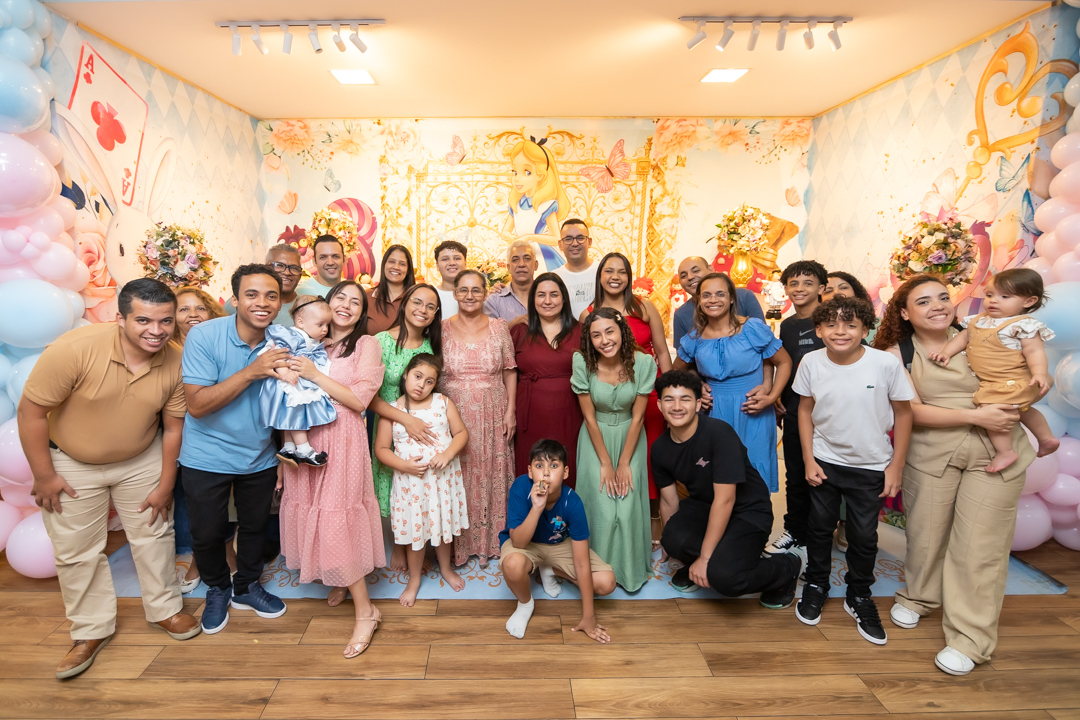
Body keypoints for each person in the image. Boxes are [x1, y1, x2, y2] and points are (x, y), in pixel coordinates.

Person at [18, 279, 201, 679]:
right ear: (121, 318)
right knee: (76, 550)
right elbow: (31, 413)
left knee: (155, 535)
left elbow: (174, 428)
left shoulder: (176, 359)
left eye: (166, 321)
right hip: (71, 461)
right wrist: (44, 475)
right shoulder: (74, 349)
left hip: (141, 458)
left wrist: (165, 484)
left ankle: (165, 610)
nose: (156, 330)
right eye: (144, 320)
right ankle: (90, 629)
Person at [875, 275, 1036, 675]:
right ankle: (919, 597)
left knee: (980, 548)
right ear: (904, 313)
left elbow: (1027, 377)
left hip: (996, 454)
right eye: (923, 301)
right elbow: (910, 411)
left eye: (943, 297)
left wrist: (1027, 394)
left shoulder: (988, 334)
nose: (938, 306)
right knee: (926, 536)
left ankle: (970, 639)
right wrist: (976, 415)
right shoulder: (896, 354)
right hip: (931, 455)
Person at [793, 297, 914, 645]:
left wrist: (896, 466)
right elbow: (804, 410)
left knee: (863, 536)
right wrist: (809, 459)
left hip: (870, 465)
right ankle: (817, 584)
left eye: (850, 324)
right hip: (825, 461)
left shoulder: (884, 364)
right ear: (819, 330)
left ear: (864, 329)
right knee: (819, 528)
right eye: (831, 324)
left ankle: (859, 594)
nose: (840, 332)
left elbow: (904, 414)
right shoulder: (811, 362)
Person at [179, 264, 290, 634]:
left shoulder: (282, 340)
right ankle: (217, 588)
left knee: (255, 527)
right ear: (234, 300)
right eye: (252, 294)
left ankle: (246, 587)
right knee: (207, 532)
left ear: (280, 303)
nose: (262, 302)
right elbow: (197, 405)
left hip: (258, 455)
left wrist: (283, 453)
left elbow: (290, 402)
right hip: (206, 455)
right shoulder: (204, 336)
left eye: (271, 296)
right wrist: (253, 370)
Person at [278, 280, 387, 657]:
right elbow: (285, 396)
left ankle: (366, 611)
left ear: (362, 312)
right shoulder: (309, 339)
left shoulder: (366, 344)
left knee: (337, 516)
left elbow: (359, 400)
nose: (346, 305)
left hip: (341, 438)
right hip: (305, 437)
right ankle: (340, 576)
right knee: (314, 511)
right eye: (340, 297)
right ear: (327, 302)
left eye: (356, 302)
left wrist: (313, 374)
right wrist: (286, 452)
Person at [653, 371, 801, 604]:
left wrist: (705, 558)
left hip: (747, 511)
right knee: (672, 539)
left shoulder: (718, 433)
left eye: (685, 399)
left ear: (698, 404)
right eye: (669, 399)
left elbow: (726, 500)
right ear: (660, 405)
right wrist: (669, 544)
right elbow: (669, 500)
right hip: (704, 506)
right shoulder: (660, 448)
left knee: (725, 578)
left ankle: (786, 567)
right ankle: (707, 562)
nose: (677, 407)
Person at [927, 268, 1057, 470]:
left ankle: (1006, 452)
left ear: (1028, 301)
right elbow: (964, 337)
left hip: (1013, 380)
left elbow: (1034, 352)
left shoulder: (1022, 325)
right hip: (994, 381)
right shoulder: (979, 320)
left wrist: (1039, 373)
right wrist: (946, 352)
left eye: (1005, 296)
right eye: (989, 295)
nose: (993, 301)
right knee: (1022, 410)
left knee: (990, 410)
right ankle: (1046, 438)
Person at [585, 252, 672, 548]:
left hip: (648, 393)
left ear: (629, 276)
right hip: (611, 398)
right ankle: (618, 522)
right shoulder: (589, 313)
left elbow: (662, 351)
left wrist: (668, 392)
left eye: (621, 271)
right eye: (608, 271)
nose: (615, 277)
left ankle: (653, 520)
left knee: (649, 458)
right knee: (618, 459)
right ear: (599, 276)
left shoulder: (643, 307)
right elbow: (587, 358)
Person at [675, 273, 791, 493]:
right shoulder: (694, 338)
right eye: (706, 295)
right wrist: (697, 386)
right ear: (699, 300)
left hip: (753, 411)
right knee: (719, 479)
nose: (713, 300)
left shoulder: (752, 329)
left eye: (720, 294)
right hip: (714, 413)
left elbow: (784, 361)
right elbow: (677, 371)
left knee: (755, 479)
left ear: (731, 299)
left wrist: (771, 396)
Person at [376, 354, 470, 606]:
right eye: (417, 377)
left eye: (429, 381)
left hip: (442, 482)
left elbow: (461, 433)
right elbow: (381, 449)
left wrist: (447, 454)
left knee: (443, 526)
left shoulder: (443, 402)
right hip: (411, 486)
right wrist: (405, 465)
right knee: (415, 532)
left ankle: (446, 569)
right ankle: (414, 579)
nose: (421, 385)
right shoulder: (392, 411)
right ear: (406, 374)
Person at [572, 307, 655, 592]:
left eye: (610, 331)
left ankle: (629, 571)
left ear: (622, 331)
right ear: (589, 339)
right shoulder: (582, 362)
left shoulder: (643, 362)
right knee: (604, 508)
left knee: (628, 506)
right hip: (595, 438)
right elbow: (589, 417)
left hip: (631, 436)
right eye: (596, 335)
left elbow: (639, 417)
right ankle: (596, 573)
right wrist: (606, 463)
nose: (604, 340)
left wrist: (624, 463)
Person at [500, 439, 615, 641]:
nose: (545, 474)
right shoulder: (520, 487)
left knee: (607, 583)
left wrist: (589, 617)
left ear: (565, 472)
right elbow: (518, 542)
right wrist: (537, 507)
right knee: (512, 565)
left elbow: (581, 562)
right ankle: (525, 604)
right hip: (527, 544)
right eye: (539, 466)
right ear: (530, 471)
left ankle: (549, 569)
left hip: (558, 544)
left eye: (553, 466)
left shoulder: (573, 502)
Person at [441, 269, 518, 566]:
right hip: (453, 413)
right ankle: (459, 545)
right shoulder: (441, 328)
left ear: (485, 294)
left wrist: (510, 411)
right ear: (454, 293)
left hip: (493, 412)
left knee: (491, 474)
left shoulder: (499, 327)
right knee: (457, 477)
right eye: (464, 289)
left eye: (476, 290)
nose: (470, 295)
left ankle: (491, 542)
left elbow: (509, 370)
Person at [369, 283, 443, 571]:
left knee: (416, 482)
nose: (422, 310)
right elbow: (369, 396)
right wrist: (404, 419)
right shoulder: (380, 341)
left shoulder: (430, 346)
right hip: (388, 420)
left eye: (430, 307)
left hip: (420, 425)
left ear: (435, 314)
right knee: (392, 480)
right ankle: (399, 544)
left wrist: (417, 421)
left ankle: (417, 544)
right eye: (417, 302)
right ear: (405, 304)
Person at [767, 259, 828, 554]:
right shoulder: (788, 325)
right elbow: (785, 365)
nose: (800, 288)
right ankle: (795, 531)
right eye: (793, 283)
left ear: (821, 288)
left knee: (825, 477)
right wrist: (778, 397)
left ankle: (820, 536)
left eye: (808, 283)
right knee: (796, 474)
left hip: (829, 413)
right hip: (794, 409)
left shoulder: (832, 320)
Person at [172, 287, 229, 594]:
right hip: (171, 432)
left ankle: (221, 556)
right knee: (188, 500)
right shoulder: (164, 348)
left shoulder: (218, 344)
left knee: (218, 503)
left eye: (200, 308)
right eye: (184, 309)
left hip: (211, 431)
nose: (193, 314)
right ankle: (195, 554)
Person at [510, 273, 583, 486]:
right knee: (533, 466)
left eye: (554, 295)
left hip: (570, 412)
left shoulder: (580, 331)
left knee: (567, 463)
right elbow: (506, 372)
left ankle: (566, 508)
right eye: (541, 295)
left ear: (564, 298)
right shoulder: (519, 331)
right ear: (533, 299)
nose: (547, 301)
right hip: (530, 413)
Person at [258, 296, 337, 467]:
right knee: (296, 414)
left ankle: (288, 447)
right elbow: (277, 354)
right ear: (300, 322)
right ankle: (304, 449)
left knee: (289, 414)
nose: (325, 329)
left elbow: (310, 345)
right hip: (286, 380)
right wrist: (284, 373)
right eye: (320, 325)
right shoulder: (290, 335)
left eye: (327, 325)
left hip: (294, 379)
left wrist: (323, 342)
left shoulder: (307, 336)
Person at [500, 136, 569, 272]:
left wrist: (530, 237)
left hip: (542, 255)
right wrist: (512, 237)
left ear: (541, 175)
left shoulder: (547, 205)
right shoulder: (517, 204)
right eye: (515, 172)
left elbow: (557, 238)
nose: (517, 178)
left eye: (527, 172)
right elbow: (505, 232)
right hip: (519, 251)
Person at [673, 256, 764, 350]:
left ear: (710, 269)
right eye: (683, 276)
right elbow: (683, 355)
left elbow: (763, 339)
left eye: (696, 271)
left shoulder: (744, 297)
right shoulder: (681, 315)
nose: (690, 277)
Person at [227, 244, 304, 326]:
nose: (287, 272)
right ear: (267, 268)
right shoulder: (240, 302)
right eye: (279, 265)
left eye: (294, 268)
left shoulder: (308, 306)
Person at [366, 244, 415, 335]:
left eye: (402, 264)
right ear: (384, 264)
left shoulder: (416, 300)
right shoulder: (367, 296)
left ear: (408, 269)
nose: (396, 267)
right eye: (392, 262)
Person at [484, 240, 538, 323]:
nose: (521, 264)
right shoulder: (494, 301)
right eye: (515, 260)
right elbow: (488, 331)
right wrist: (514, 323)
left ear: (536, 265)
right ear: (508, 267)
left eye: (527, 259)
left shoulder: (548, 297)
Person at [553, 219, 596, 318]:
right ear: (560, 245)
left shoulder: (604, 271)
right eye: (568, 239)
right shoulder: (554, 278)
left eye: (580, 238)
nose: (575, 243)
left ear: (589, 242)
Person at [434, 239, 466, 317]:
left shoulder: (477, 294)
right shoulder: (431, 294)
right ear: (437, 265)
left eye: (457, 258)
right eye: (445, 259)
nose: (452, 263)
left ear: (465, 263)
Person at [761, 269, 786, 334]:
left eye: (777, 276)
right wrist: (765, 288)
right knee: (771, 304)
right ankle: (771, 312)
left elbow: (784, 288)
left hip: (778, 295)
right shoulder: (771, 284)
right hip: (772, 296)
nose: (775, 277)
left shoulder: (780, 284)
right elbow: (767, 287)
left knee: (777, 303)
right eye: (774, 276)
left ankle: (777, 312)